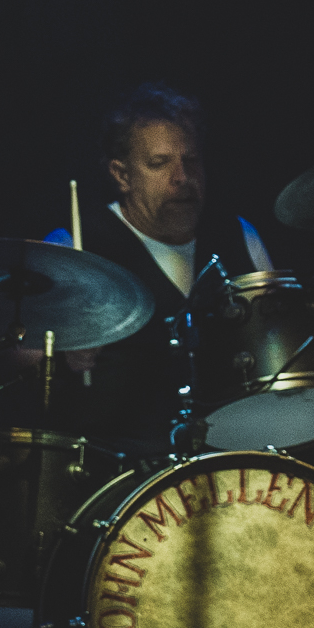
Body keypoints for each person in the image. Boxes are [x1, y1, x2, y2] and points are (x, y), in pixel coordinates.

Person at [53, 82, 273, 448]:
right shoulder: (74, 247)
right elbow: (16, 347)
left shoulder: (239, 235)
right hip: (122, 472)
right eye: (159, 164)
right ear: (122, 175)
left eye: (191, 160)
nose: (182, 178)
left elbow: (279, 340)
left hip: (236, 457)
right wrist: (59, 350)